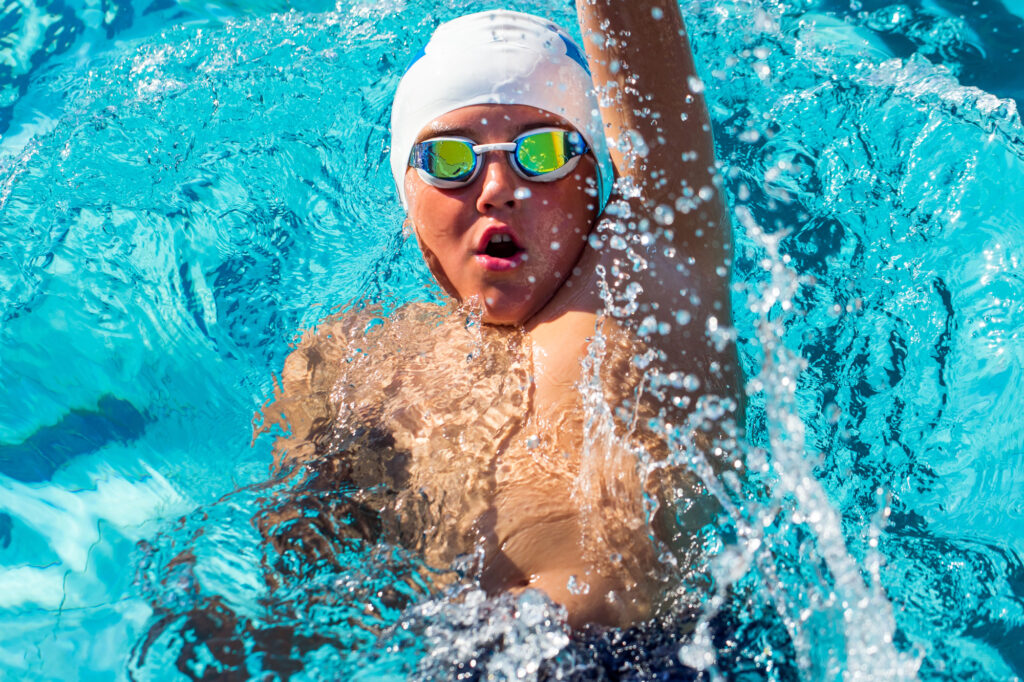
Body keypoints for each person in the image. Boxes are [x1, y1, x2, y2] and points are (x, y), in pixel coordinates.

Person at [259, 1, 740, 630]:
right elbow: (298, 586)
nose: (495, 187)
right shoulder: (359, 363)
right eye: (450, 160)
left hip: (650, 658)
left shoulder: (642, 277)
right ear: (411, 205)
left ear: (596, 184)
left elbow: (644, 61)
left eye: (540, 153)